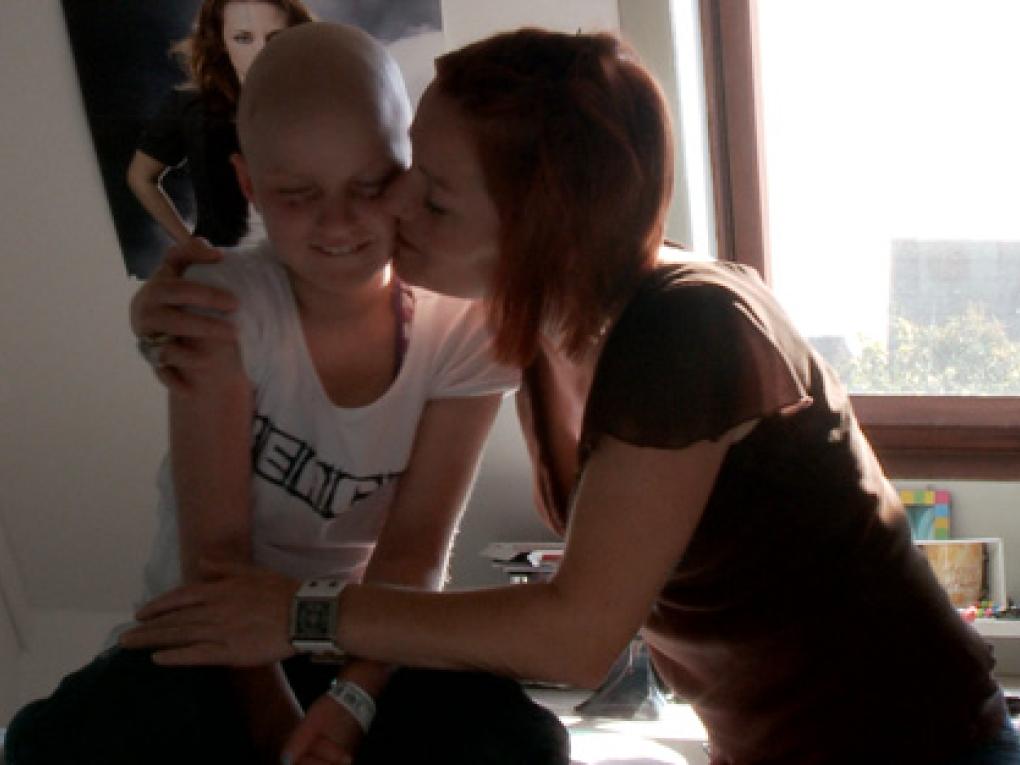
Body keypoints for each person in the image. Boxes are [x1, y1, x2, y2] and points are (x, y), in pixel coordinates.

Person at [120, 27, 1019, 765]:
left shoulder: (691, 325)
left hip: (926, 745)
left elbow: (574, 636)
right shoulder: (535, 335)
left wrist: (298, 610)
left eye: (434, 200)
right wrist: (165, 311)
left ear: (539, 227)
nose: (392, 210)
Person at [5, 23, 570, 765]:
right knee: (47, 744)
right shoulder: (223, 310)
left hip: (353, 630)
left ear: (409, 170)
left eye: (369, 186)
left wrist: (350, 706)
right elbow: (216, 556)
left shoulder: (465, 327)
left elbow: (415, 549)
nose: (338, 223)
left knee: (524, 741)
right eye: (298, 195)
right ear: (249, 185)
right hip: (210, 635)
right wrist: (282, 735)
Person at [126, 0, 313, 250]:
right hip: (224, 260)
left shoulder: (322, 100)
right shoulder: (190, 105)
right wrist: (189, 244)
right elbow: (141, 177)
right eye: (243, 38)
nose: (261, 50)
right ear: (220, 42)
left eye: (276, 37)